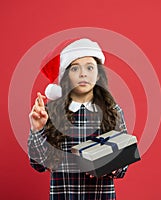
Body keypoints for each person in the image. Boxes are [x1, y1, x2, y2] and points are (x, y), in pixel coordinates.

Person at [28, 38, 130, 200]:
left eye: (90, 67)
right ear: (66, 75)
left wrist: (113, 165)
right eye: (75, 68)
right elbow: (38, 164)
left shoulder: (113, 112)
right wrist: (37, 129)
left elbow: (122, 167)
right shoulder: (49, 112)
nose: (83, 73)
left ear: (98, 74)